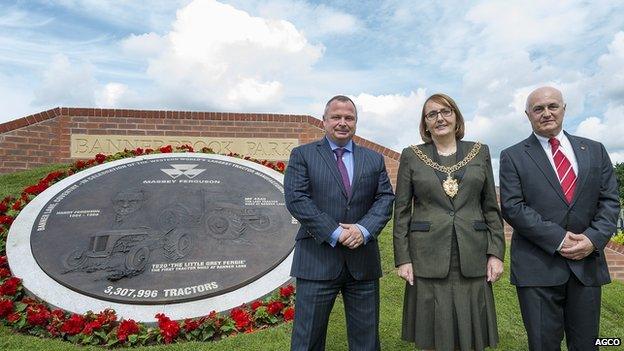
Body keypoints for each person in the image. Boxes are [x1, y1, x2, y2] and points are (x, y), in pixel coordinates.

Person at [499, 86, 620, 350]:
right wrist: (559, 239)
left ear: (564, 109)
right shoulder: (512, 156)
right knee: (543, 345)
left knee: (589, 345)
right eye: (538, 109)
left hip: (586, 267)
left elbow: (610, 201)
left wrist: (592, 239)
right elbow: (512, 206)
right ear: (528, 115)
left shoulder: (595, 150)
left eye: (552, 106)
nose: (546, 113)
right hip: (537, 269)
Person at [393, 93, 505, 351]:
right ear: (425, 123)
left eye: (446, 111)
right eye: (431, 114)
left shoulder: (480, 152)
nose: (440, 118)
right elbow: (401, 212)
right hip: (426, 258)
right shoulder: (411, 155)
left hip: (473, 255)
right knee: (432, 333)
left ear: (456, 117)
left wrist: (496, 253)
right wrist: (403, 258)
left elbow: (490, 208)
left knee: (472, 335)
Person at [284, 95, 395, 351]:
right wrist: (336, 232)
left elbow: (385, 198)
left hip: (363, 262)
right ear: (324, 121)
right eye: (336, 117)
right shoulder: (303, 155)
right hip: (317, 260)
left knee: (366, 342)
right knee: (307, 340)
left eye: (349, 118)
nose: (342, 123)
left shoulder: (374, 159)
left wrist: (363, 230)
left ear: (356, 123)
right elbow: (297, 199)